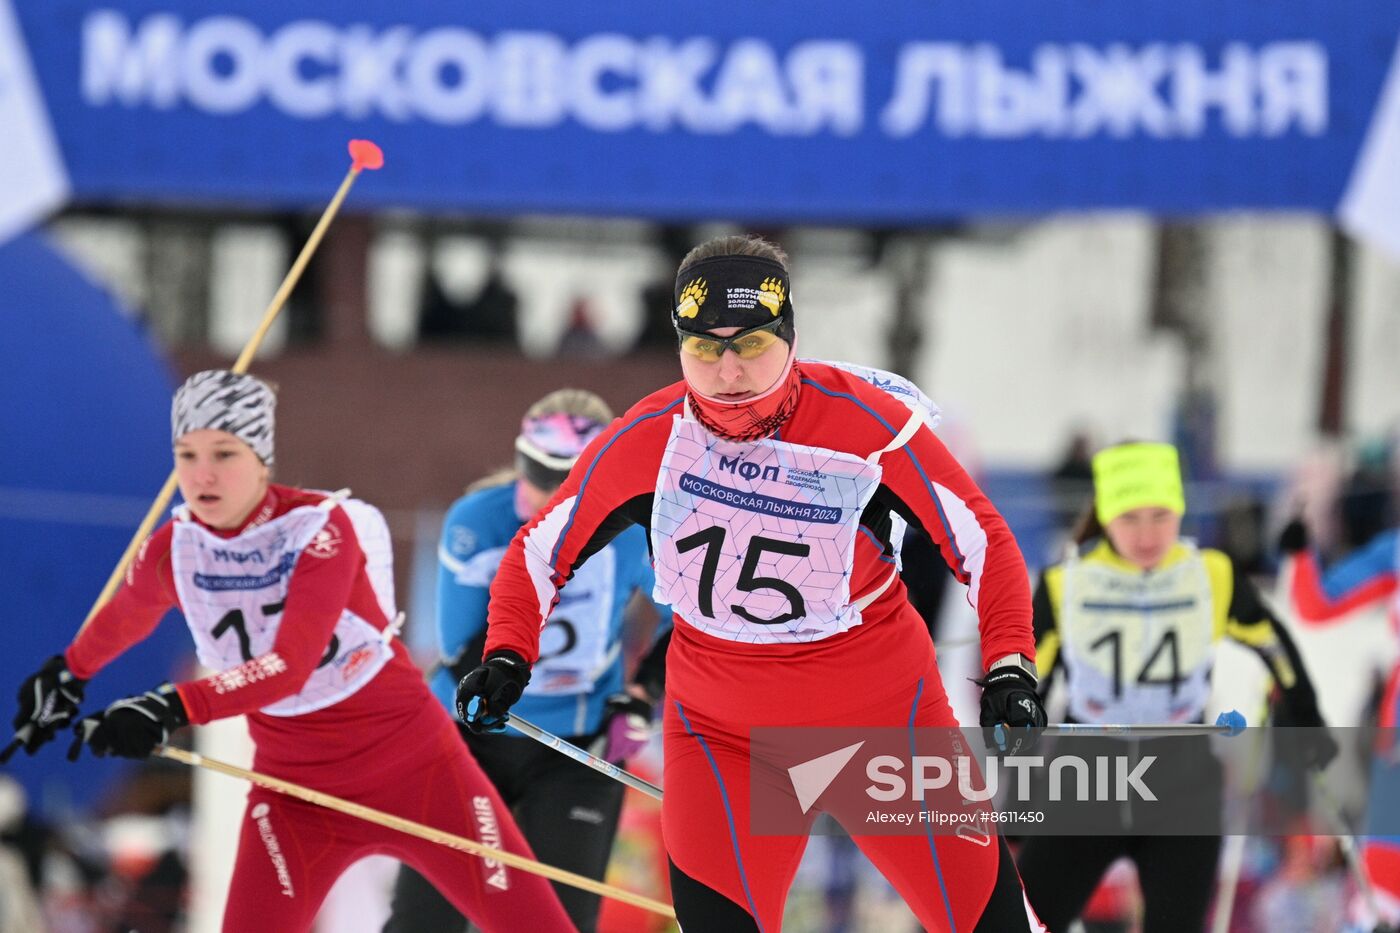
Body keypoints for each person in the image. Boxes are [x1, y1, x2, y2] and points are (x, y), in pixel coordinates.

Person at [455, 234, 1050, 932]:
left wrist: (1010, 663)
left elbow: (982, 539)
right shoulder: (648, 439)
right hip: (723, 737)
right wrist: (507, 653)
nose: (729, 370)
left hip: (884, 723)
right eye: (705, 348)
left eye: (753, 344)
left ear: (790, 337)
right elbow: (537, 551)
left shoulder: (867, 427)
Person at [4, 370, 576, 933]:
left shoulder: (318, 530)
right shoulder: (174, 549)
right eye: (187, 454)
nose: (202, 475)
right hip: (295, 796)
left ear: (262, 459)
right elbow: (125, 615)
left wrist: (167, 707)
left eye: (224, 454)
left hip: (419, 771)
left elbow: (289, 666)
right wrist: (67, 676)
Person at [1015, 441, 1337, 933]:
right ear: (1106, 515)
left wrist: (1307, 719)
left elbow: (1275, 646)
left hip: (1181, 783)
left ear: (1181, 511)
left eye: (1161, 516)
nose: (1147, 534)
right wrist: (1018, 791)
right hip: (1085, 778)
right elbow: (1026, 688)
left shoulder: (1210, 574)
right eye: (1131, 518)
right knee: (1027, 921)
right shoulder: (1066, 584)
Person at [384, 388, 670, 933]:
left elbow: (684, 621)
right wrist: (492, 679)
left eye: (565, 482)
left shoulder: (635, 530)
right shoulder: (478, 521)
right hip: (470, 736)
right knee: (423, 920)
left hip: (577, 746)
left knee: (559, 923)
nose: (544, 498)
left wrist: (641, 696)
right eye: (536, 474)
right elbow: (456, 644)